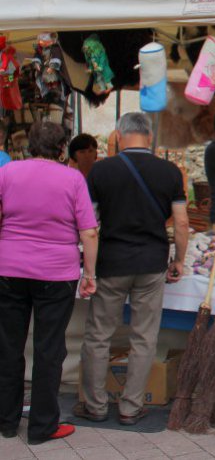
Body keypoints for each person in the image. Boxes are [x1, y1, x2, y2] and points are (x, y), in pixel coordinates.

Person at [76, 113, 189, 425]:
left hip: (111, 262)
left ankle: (95, 406)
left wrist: (88, 268)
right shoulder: (169, 172)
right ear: (149, 137)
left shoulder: (101, 171)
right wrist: (178, 260)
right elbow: (180, 222)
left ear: (118, 136)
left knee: (99, 335)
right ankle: (130, 406)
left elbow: (90, 225)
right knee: (144, 336)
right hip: (152, 263)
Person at [0, 122, 99, 445]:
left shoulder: (8, 172)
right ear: (61, 149)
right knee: (49, 349)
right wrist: (90, 274)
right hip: (56, 274)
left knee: (8, 347)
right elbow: (88, 232)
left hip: (9, 269)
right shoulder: (72, 178)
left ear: (29, 145)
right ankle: (42, 426)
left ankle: (6, 422)